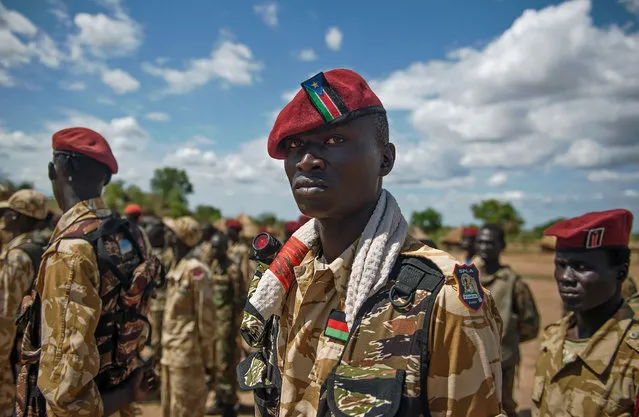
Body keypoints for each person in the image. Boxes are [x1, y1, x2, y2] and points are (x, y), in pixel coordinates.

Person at [237, 68, 505, 416]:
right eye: (295, 145)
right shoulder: (284, 281)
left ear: (385, 159)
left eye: (334, 141)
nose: (307, 160)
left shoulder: (442, 299)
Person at [14, 127, 157, 417]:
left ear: (60, 168)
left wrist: (125, 394)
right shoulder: (133, 236)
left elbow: (66, 393)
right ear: (105, 178)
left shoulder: (71, 251)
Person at [533, 209, 639, 416]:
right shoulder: (553, 338)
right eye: (561, 265)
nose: (566, 277)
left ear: (621, 272)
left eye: (581, 267)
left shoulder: (633, 357)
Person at [476, 224, 540, 417]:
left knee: (501, 406)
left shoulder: (513, 282)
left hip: (502, 362)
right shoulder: (466, 277)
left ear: (501, 245)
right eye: (481, 241)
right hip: (470, 360)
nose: (484, 247)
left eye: (490, 242)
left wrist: (507, 339)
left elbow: (531, 323)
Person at [0, 189, 48, 417]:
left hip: (13, 355)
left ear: (21, 216)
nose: (4, 217)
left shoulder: (18, 256)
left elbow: (6, 315)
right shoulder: (43, 248)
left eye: (9, 212)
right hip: (33, 349)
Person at [161, 216, 215, 417]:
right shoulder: (176, 267)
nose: (166, 234)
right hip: (170, 351)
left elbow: (206, 317)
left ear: (179, 238)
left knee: (186, 409)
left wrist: (208, 358)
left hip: (188, 354)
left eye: (171, 232)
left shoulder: (195, 270)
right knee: (170, 407)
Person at [205, 232, 242, 417]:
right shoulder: (212, 266)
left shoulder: (232, 269)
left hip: (226, 324)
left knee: (226, 362)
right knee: (214, 362)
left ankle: (229, 402)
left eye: (216, 247)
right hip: (213, 323)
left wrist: (234, 325)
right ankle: (219, 396)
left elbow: (239, 299)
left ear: (224, 248)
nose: (213, 250)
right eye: (212, 246)